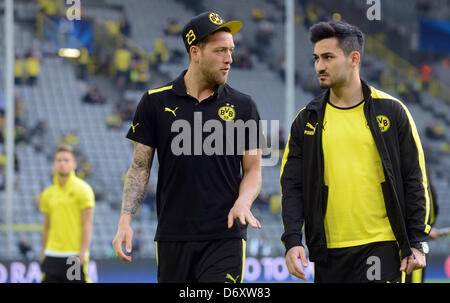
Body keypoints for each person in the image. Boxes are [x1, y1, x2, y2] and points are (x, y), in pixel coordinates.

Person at [112, 12, 264, 283]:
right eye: (220, 51)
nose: (229, 59)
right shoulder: (154, 102)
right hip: (173, 237)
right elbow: (139, 166)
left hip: (225, 235)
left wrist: (243, 201)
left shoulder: (244, 105)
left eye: (231, 50)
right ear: (195, 52)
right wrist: (125, 219)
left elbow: (253, 170)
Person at [280, 21, 431, 283]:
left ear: (354, 59)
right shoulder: (307, 120)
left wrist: (416, 240)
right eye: (316, 58)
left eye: (328, 57)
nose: (319, 66)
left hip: (381, 246)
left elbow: (414, 179)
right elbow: (292, 185)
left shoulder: (392, 112)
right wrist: (293, 240)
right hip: (328, 252)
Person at [40, 145, 95, 283]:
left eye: (66, 160)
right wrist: (43, 251)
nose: (62, 163)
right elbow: (46, 226)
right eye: (59, 160)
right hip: (51, 255)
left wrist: (83, 252)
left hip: (73, 256)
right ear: (54, 164)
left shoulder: (83, 190)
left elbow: (87, 224)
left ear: (74, 164)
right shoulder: (48, 193)